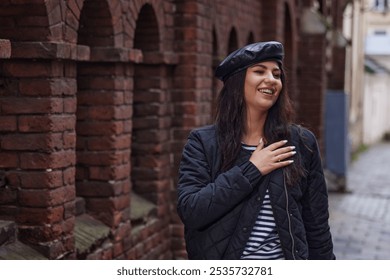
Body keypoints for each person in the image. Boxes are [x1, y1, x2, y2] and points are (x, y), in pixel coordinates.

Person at [176, 41, 335, 260]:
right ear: (237, 82)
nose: (271, 79)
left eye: (277, 74)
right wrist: (252, 169)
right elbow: (191, 210)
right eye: (259, 71)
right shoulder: (203, 143)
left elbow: (317, 226)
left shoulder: (301, 143)